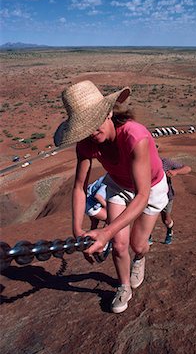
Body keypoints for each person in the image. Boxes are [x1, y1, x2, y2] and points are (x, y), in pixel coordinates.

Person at [54, 80, 168, 314]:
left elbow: (142, 194)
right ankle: (123, 286)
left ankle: (139, 258)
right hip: (117, 184)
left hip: (150, 187)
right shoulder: (86, 143)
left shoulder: (135, 137)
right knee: (118, 243)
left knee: (138, 245)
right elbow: (79, 186)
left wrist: (105, 231)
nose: (92, 133)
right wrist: (78, 232)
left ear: (108, 112)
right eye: (84, 128)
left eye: (94, 123)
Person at [149, 157, 191, 245]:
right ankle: (147, 236)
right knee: (147, 218)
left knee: (166, 220)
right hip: (149, 197)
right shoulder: (142, 162)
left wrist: (176, 171)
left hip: (166, 196)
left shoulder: (165, 162)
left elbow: (187, 168)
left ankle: (169, 231)